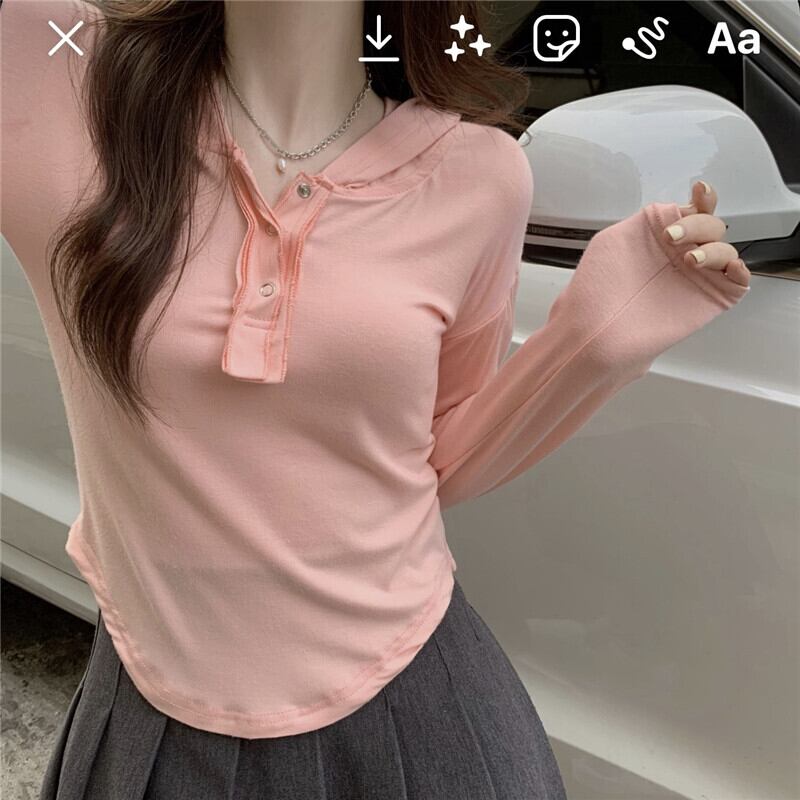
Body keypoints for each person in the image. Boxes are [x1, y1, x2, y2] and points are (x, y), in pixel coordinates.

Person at [0, 1, 751, 798]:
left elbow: (441, 458)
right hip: (153, 717)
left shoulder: (479, 174)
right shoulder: (57, 83)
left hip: (419, 715)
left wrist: (593, 341)